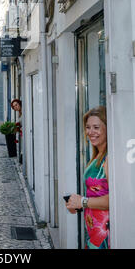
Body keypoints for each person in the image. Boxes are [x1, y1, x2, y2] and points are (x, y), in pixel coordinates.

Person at [65, 106, 110, 249]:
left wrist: (83, 202)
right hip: (94, 231)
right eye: (88, 127)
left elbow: (115, 200)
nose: (91, 132)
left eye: (96, 127)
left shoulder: (109, 159)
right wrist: (77, 204)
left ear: (108, 129)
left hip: (106, 235)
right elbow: (96, 194)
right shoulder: (97, 156)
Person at [11, 99, 23, 164]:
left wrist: (20, 128)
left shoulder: (24, 111)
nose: (16, 107)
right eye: (14, 106)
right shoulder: (19, 113)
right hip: (22, 135)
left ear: (19, 104)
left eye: (16, 105)